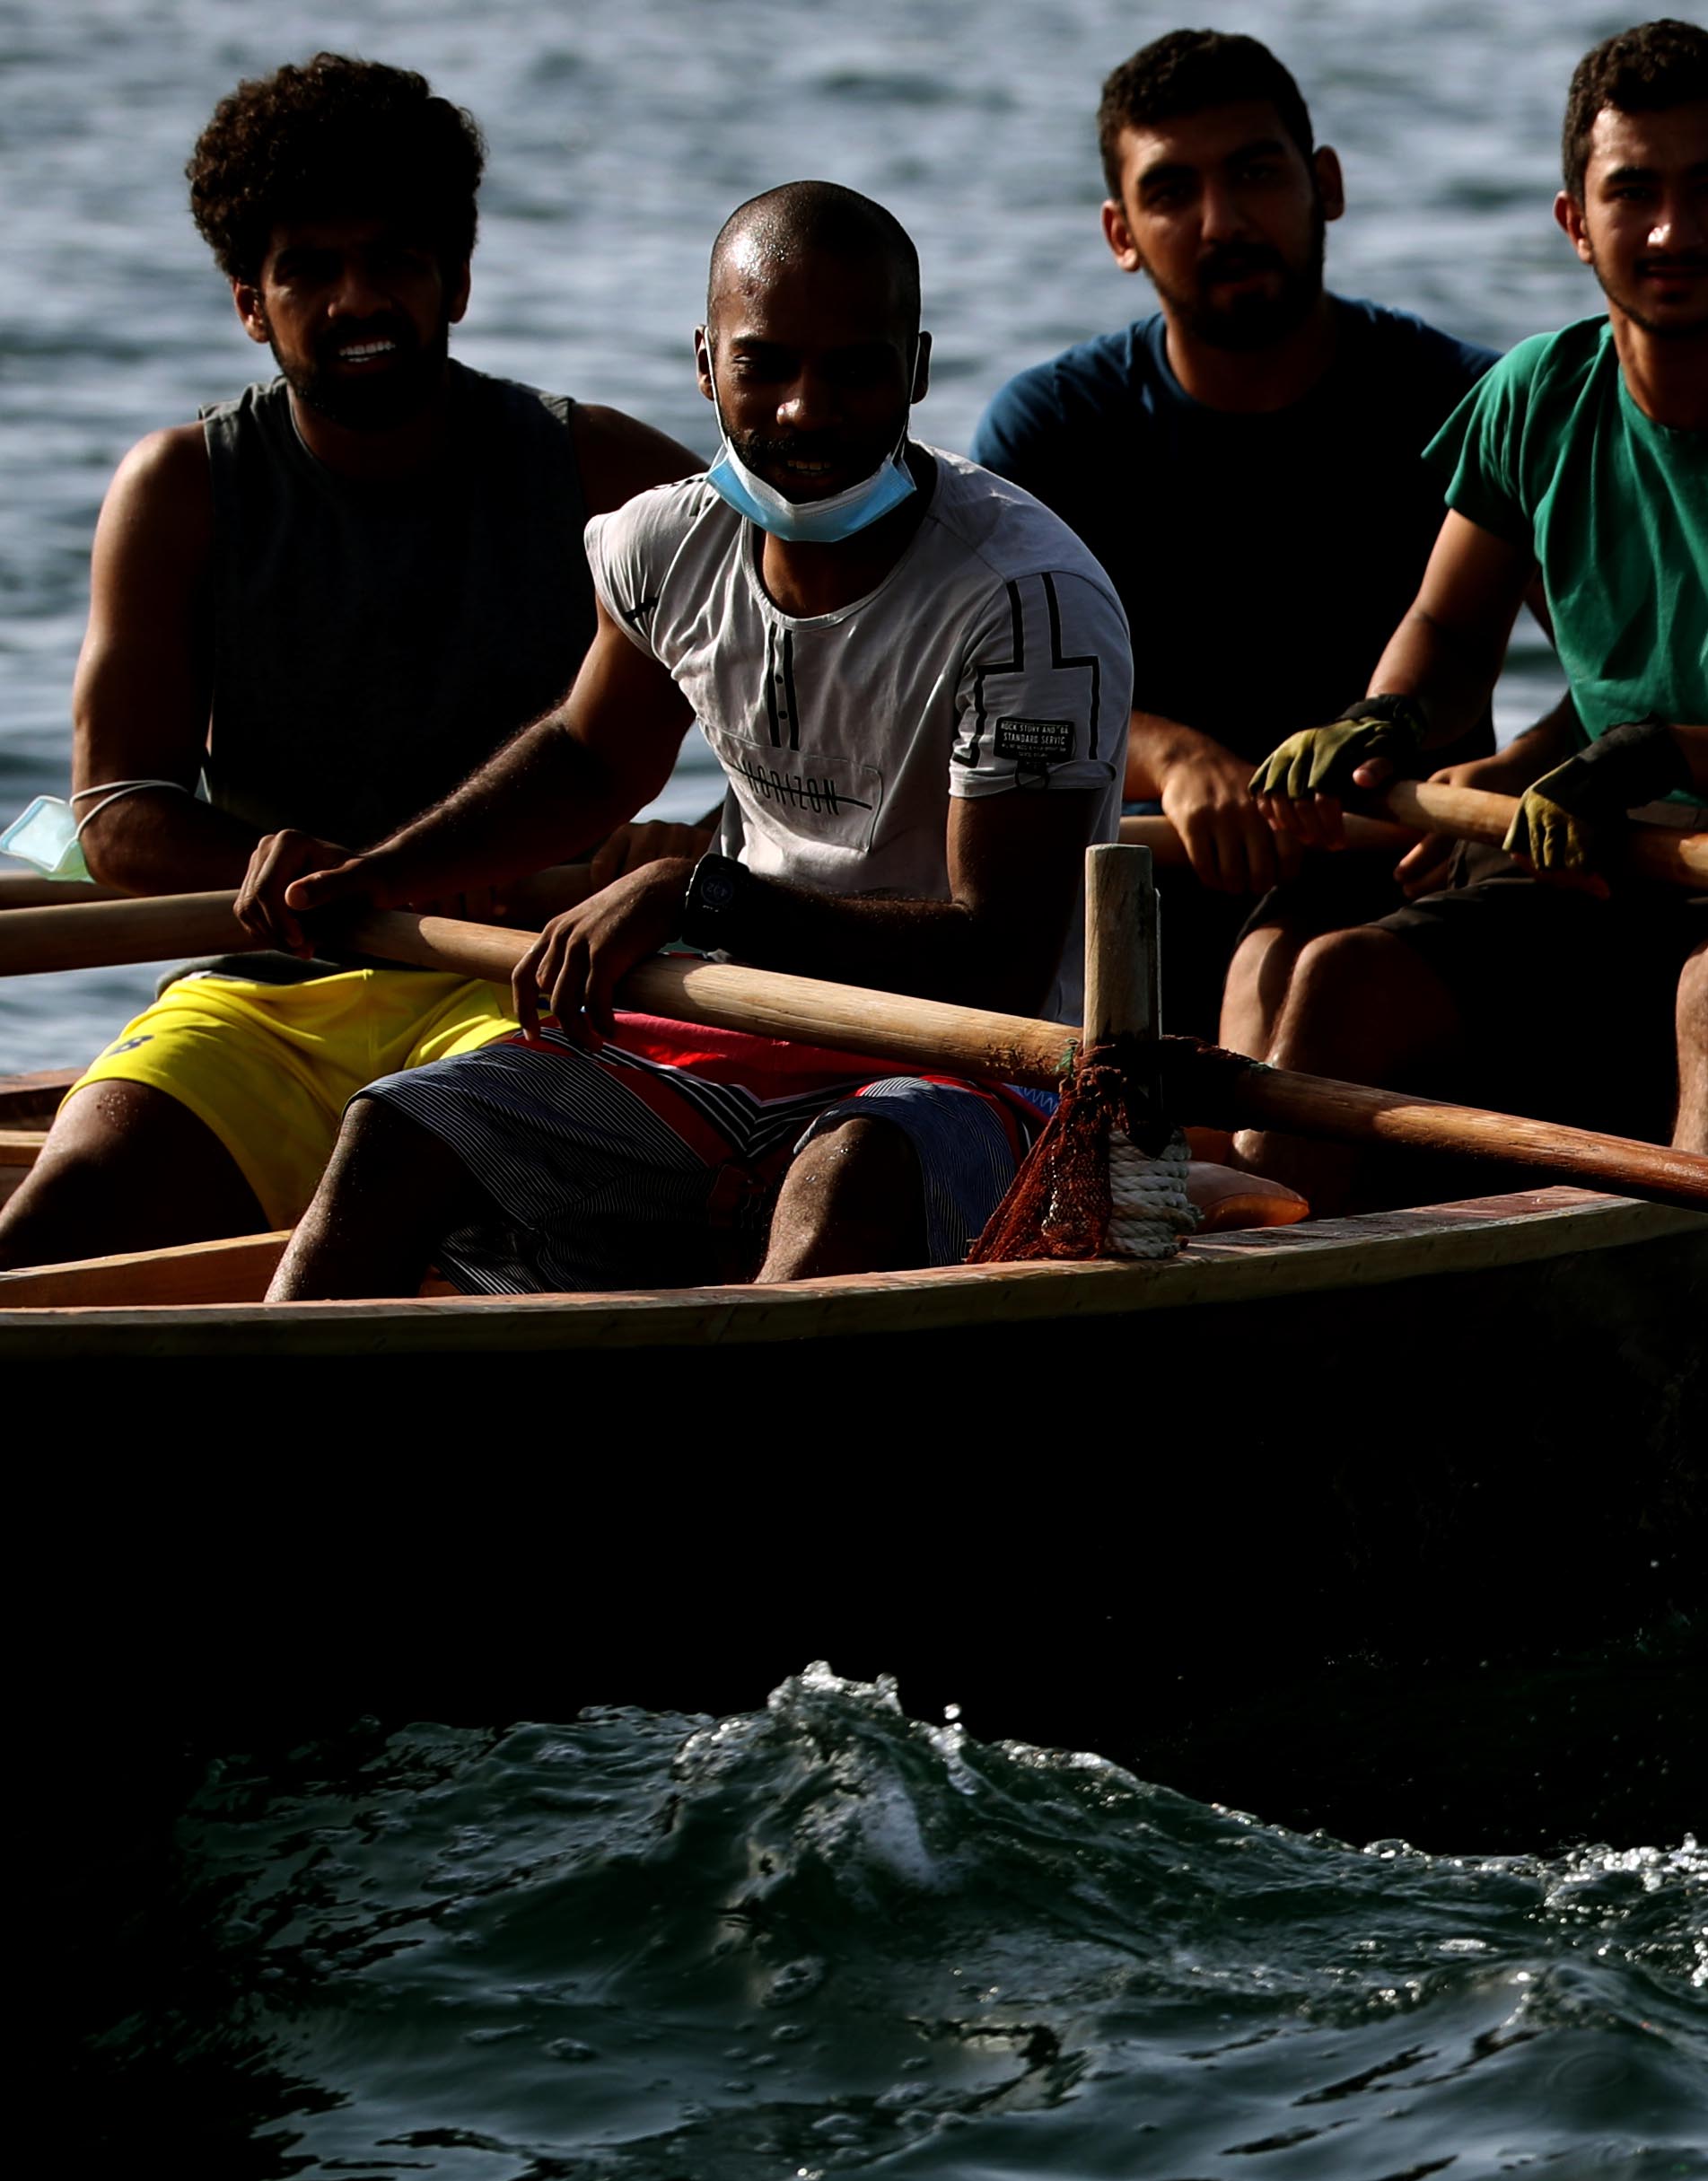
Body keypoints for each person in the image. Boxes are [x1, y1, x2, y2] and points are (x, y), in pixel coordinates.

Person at [259, 183, 1133, 1299]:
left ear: (914, 371)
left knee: (850, 1175)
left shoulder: (1028, 600)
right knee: (393, 1133)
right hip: (730, 1031)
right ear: (706, 363)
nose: (806, 411)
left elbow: (998, 954)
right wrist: (377, 871)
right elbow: (589, 759)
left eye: (853, 369)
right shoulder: (665, 541)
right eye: (765, 366)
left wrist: (699, 897)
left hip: (980, 1067)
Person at [1242, 19, 1708, 1180]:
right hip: (1607, 869)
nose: (1672, 231)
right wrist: (1386, 715)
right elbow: (1446, 627)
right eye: (1632, 192)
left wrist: (1666, 754)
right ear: (1574, 221)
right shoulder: (1535, 391)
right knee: (1340, 979)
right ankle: (1270, 1312)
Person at [0, 56, 697, 1270]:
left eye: (394, 262)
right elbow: (114, 816)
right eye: (310, 271)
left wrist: (681, 856)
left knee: (446, 1206)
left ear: (458, 282)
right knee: (54, 1237)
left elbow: (811, 732)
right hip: (270, 985)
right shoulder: (180, 491)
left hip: (524, 978)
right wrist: (315, 877)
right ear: (248, 305)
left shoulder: (610, 479)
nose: (357, 300)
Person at [971, 28, 1495, 1045]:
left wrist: (1504, 791)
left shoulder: (1465, 405)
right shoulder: (1052, 431)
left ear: (1326, 185)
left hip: (1402, 868)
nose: (1222, 222)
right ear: (1121, 234)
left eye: (1256, 173)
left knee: (1296, 973)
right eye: (1173, 192)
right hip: (1145, 879)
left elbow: (1610, 668)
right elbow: (1003, 713)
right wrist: (1170, 756)